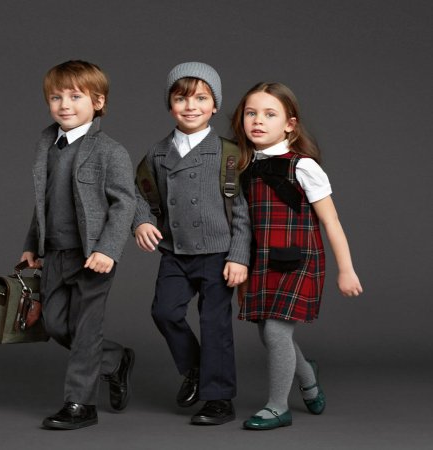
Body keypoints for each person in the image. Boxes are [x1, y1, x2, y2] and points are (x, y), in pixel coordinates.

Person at [230, 82, 363, 430]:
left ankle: (277, 407)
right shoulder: (244, 166)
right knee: (268, 333)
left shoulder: (302, 167)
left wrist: (346, 269)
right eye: (251, 113)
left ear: (289, 124)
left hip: (298, 261)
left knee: (276, 333)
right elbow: (244, 225)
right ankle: (308, 376)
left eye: (269, 114)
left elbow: (331, 221)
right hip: (262, 261)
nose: (258, 121)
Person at [20, 60, 136, 430]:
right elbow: (42, 202)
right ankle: (115, 359)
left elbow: (125, 203)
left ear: (98, 102)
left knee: (86, 329)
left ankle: (80, 404)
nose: (64, 105)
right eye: (56, 97)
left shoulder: (110, 151)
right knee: (55, 324)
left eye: (75, 96)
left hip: (93, 255)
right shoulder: (47, 144)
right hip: (55, 253)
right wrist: (32, 244)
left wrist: (108, 250)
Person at [133, 62, 251, 425]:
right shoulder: (158, 152)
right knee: (164, 312)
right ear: (170, 104)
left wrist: (239, 256)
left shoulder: (230, 153)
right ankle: (197, 369)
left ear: (215, 105)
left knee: (215, 325)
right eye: (181, 98)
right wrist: (141, 221)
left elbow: (242, 212)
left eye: (201, 98)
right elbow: (137, 192)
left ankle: (219, 399)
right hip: (176, 251)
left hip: (218, 253)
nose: (191, 106)